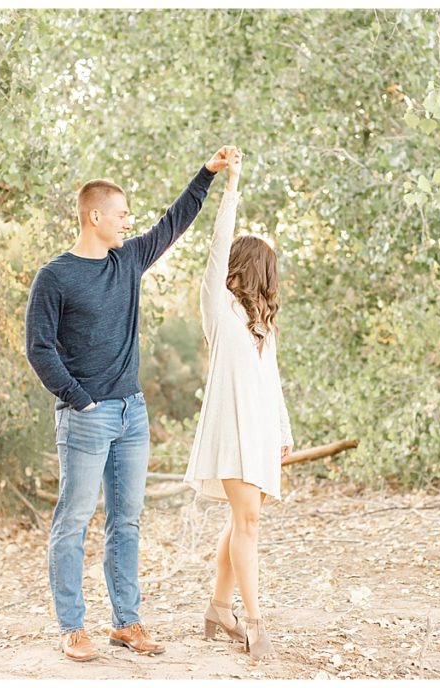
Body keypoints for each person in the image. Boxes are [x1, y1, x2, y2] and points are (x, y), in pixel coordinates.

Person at [25, 146, 235, 661]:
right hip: (87, 417)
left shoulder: (128, 260)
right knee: (73, 521)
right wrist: (79, 399)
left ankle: (127, 622)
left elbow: (175, 221)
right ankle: (73, 628)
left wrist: (207, 173)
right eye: (121, 214)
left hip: (131, 414)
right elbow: (39, 347)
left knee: (127, 521)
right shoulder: (55, 277)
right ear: (94, 216)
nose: (128, 222)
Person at [183, 148, 294, 661]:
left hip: (260, 432)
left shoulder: (261, 324)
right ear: (254, 268)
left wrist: (283, 431)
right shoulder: (219, 311)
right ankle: (254, 623)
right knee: (248, 522)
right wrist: (231, 185)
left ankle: (218, 607)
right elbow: (217, 245)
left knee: (241, 519)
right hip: (229, 430)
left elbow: (272, 383)